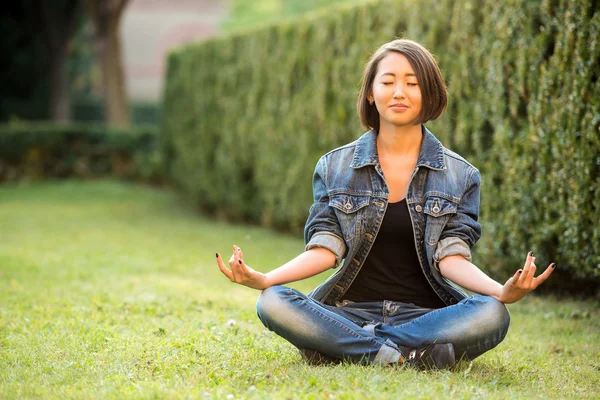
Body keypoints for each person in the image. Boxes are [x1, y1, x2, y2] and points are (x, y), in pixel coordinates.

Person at [215, 39, 555, 370]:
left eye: (413, 83)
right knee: (273, 301)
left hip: (426, 317)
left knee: (492, 313)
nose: (399, 92)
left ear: (430, 94)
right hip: (348, 310)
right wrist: (265, 278)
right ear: (370, 93)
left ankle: (350, 346)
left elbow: (451, 256)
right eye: (388, 81)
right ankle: (405, 356)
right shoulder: (334, 167)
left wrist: (501, 291)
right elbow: (326, 248)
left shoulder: (461, 174)